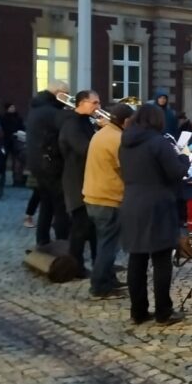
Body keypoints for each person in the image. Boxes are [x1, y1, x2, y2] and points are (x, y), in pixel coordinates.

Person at [119, 104, 190, 326]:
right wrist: (184, 159)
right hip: (157, 204)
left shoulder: (125, 142)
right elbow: (176, 172)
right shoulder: (159, 143)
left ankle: (138, 311)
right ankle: (163, 312)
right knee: (161, 260)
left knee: (137, 259)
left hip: (132, 201)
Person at [83, 103, 134, 298]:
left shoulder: (102, 133)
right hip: (108, 198)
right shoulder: (117, 139)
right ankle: (99, 286)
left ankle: (108, 278)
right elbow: (126, 168)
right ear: (126, 121)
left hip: (93, 196)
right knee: (108, 245)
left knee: (104, 241)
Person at [26, 80, 72, 246]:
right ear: (59, 93)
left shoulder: (37, 108)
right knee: (60, 206)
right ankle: (62, 244)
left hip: (38, 163)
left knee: (46, 203)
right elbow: (65, 133)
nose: (68, 98)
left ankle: (42, 240)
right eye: (66, 94)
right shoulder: (52, 112)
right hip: (51, 164)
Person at [60, 90, 100, 277]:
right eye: (95, 103)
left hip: (87, 179)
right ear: (82, 103)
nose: (98, 107)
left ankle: (99, 263)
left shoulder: (85, 121)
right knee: (80, 226)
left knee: (92, 226)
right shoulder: (72, 124)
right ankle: (76, 267)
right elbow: (85, 149)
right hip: (76, 181)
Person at [2, 102, 27, 186]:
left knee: (17, 161)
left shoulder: (18, 118)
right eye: (11, 107)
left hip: (17, 142)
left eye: (13, 107)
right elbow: (4, 129)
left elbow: (22, 127)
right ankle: (2, 179)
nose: (13, 109)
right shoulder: (4, 118)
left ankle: (16, 180)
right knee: (4, 160)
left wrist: (20, 133)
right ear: (7, 109)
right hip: (6, 141)